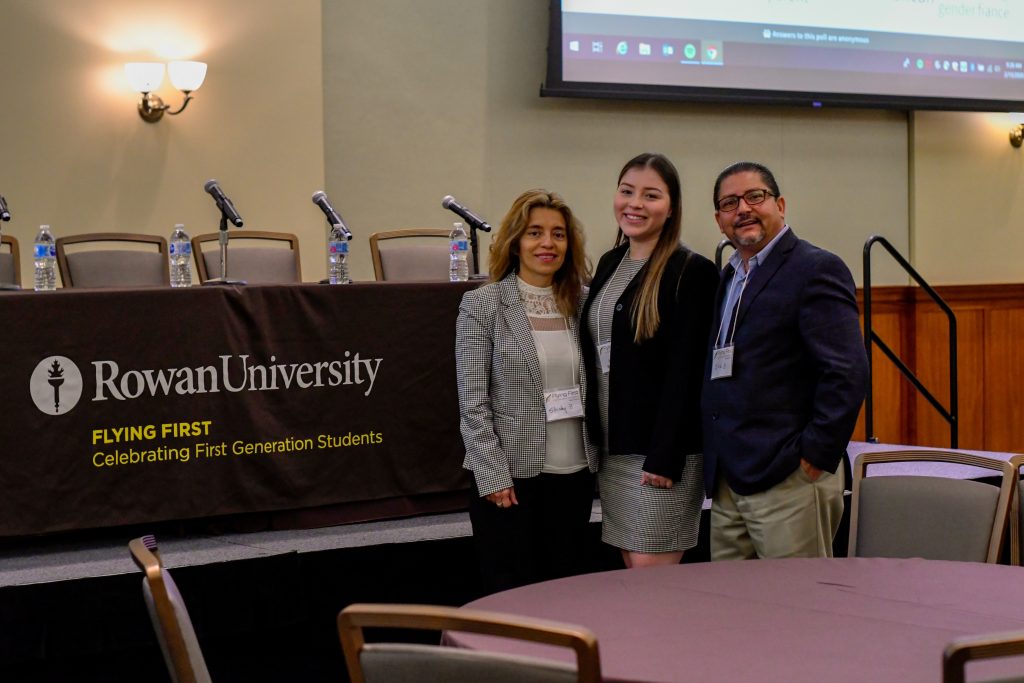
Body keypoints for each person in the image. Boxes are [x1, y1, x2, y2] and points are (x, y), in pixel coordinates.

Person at [702, 161, 868, 560]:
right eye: (729, 203)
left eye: (754, 196)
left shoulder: (814, 268)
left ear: (780, 204)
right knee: (731, 610)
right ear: (719, 220)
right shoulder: (728, 277)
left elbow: (847, 372)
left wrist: (813, 458)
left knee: (801, 612)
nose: (742, 208)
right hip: (730, 481)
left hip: (789, 479)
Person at [580, 153, 719, 568]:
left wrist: (666, 454)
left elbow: (687, 373)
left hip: (658, 457)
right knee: (634, 575)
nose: (634, 204)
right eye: (627, 192)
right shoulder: (609, 262)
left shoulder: (691, 271)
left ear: (671, 206)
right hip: (614, 447)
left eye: (650, 195)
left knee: (651, 587)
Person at [456, 188, 597, 593]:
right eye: (535, 233)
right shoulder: (483, 305)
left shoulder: (584, 303)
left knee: (566, 592)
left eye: (558, 234)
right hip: (511, 481)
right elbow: (472, 404)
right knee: (513, 596)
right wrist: (493, 474)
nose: (547, 244)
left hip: (576, 474)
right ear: (516, 241)